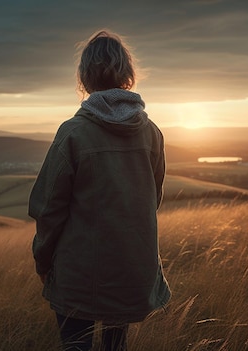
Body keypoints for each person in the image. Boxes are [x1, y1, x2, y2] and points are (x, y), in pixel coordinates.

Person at [29, 29, 171, 351]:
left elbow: (48, 209)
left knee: (75, 346)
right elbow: (152, 201)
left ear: (84, 76)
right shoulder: (151, 133)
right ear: (128, 75)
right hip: (131, 271)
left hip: (78, 276)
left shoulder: (73, 133)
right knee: (115, 346)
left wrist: (43, 261)